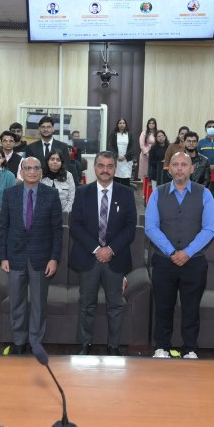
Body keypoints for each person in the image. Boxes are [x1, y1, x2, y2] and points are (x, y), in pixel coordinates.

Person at [145, 149, 214, 360]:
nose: (179, 169)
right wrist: (171, 252)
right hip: (163, 261)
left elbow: (209, 228)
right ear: (169, 169)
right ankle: (162, 347)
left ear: (192, 169)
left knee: (191, 308)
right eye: (175, 165)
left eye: (184, 165)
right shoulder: (157, 193)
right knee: (163, 307)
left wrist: (187, 252)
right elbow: (150, 227)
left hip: (194, 262)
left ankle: (190, 349)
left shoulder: (205, 194)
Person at [69, 151, 136, 355]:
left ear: (115, 168)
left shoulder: (126, 193)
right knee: (86, 305)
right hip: (88, 257)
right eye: (101, 165)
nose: (105, 170)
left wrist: (110, 250)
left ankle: (113, 346)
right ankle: (85, 345)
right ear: (94, 168)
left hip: (115, 259)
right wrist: (97, 249)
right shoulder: (82, 192)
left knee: (115, 306)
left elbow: (130, 227)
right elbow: (75, 225)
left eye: (109, 166)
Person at [0, 155, 62, 355]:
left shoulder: (51, 194)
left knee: (38, 304)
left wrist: (54, 258)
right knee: (16, 302)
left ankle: (35, 342)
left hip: (41, 258)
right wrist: (3, 256)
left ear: (41, 172)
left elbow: (57, 230)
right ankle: (19, 341)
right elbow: (3, 227)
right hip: (15, 257)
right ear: (21, 172)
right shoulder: (10, 193)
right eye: (28, 168)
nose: (32, 172)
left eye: (36, 168)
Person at [107, 117, 138, 187]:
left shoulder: (129, 134)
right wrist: (117, 156)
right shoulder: (114, 133)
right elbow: (110, 146)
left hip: (126, 160)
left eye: (123, 123)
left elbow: (132, 147)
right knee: (116, 178)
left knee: (125, 180)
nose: (122, 124)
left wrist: (125, 156)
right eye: (120, 123)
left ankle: (125, 193)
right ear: (117, 125)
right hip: (116, 159)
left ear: (125, 125)